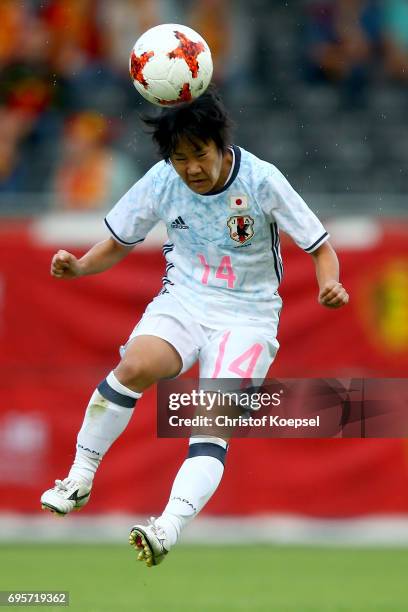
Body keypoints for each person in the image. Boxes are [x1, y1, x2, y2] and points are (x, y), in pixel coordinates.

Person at [40, 86, 349, 567]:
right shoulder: (162, 180)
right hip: (185, 298)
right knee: (135, 365)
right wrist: (79, 267)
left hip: (248, 316)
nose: (192, 169)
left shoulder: (262, 180)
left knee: (209, 423)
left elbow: (321, 247)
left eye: (200, 155)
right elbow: (120, 241)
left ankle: (167, 526)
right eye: (180, 158)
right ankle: (79, 476)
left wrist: (330, 284)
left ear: (221, 147)